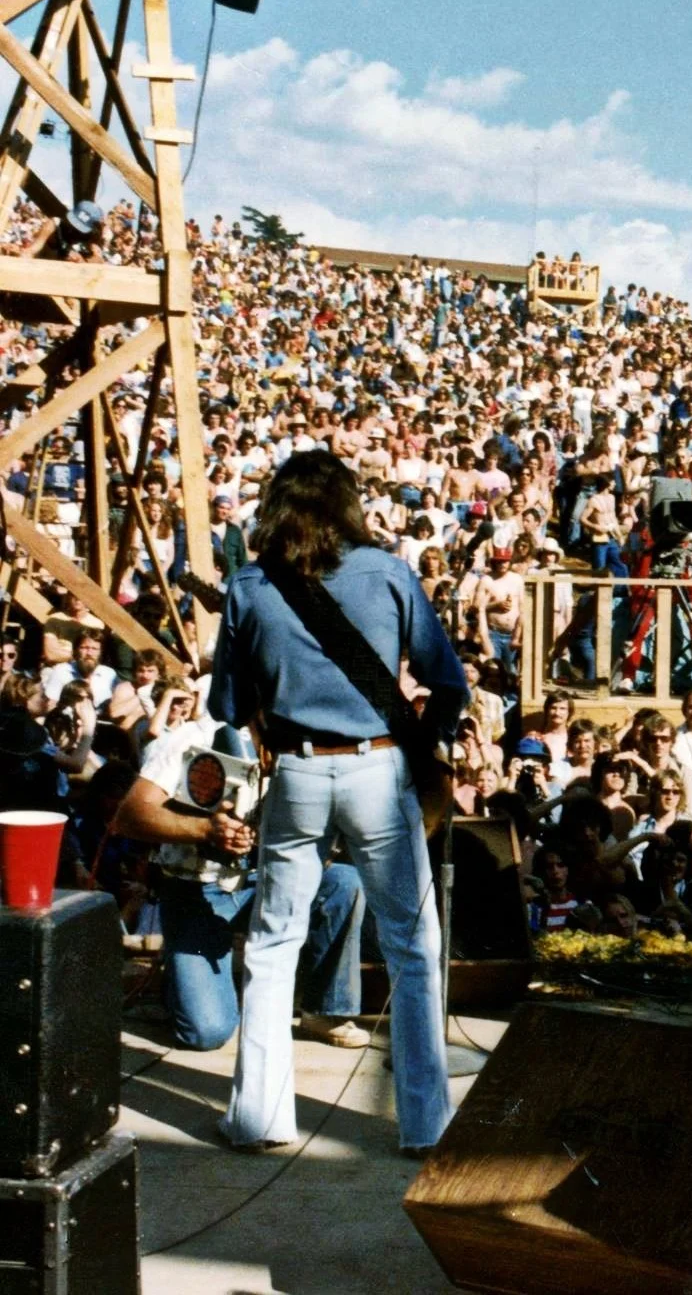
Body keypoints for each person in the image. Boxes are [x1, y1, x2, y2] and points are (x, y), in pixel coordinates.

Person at [206, 450, 467, 1155]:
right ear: (349, 502)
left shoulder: (249, 586)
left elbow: (226, 703)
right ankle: (424, 1123)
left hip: (295, 768)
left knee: (271, 946)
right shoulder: (388, 573)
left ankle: (259, 1117)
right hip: (379, 768)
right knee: (414, 948)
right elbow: (449, 680)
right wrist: (431, 743)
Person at [112, 713, 367, 1052]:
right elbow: (129, 816)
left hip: (268, 880)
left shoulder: (305, 741)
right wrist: (205, 830)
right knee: (207, 1032)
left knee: (343, 882)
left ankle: (324, 1010)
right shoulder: (193, 736)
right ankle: (177, 979)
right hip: (195, 890)